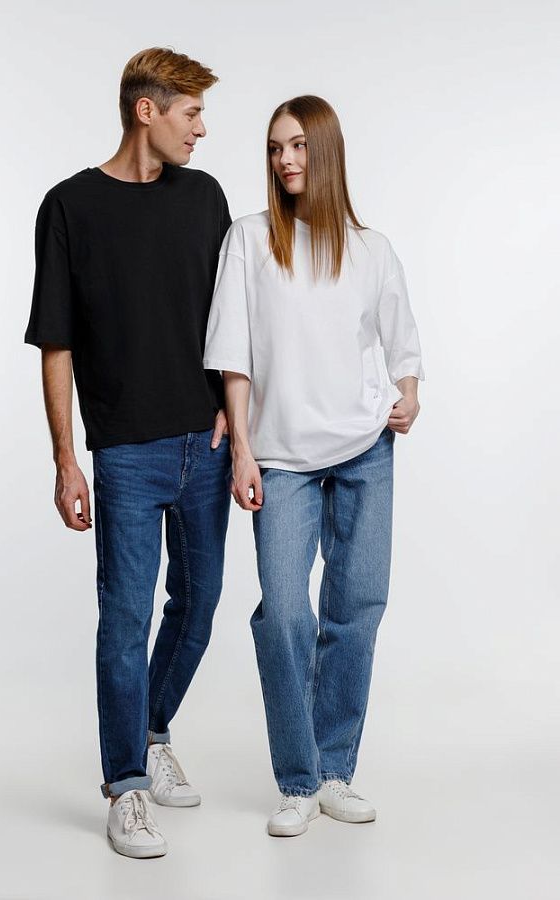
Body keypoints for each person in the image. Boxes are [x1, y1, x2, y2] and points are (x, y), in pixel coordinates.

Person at [24, 48, 232, 859]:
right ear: (147, 111)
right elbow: (56, 343)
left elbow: (233, 319)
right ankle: (125, 785)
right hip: (125, 453)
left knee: (199, 604)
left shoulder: (204, 197)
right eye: (191, 113)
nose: (201, 129)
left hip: (206, 443)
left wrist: (236, 418)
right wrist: (65, 460)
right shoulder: (69, 206)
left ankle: (150, 730)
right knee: (124, 616)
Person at [203, 95, 424, 837]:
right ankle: (297, 780)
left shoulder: (370, 249)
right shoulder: (248, 239)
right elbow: (232, 355)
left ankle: (334, 773)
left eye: (297, 146)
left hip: (364, 447)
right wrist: (241, 447)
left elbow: (402, 339)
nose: (284, 160)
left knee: (356, 607)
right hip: (279, 457)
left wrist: (408, 393)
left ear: (324, 151)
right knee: (286, 613)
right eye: (275, 148)